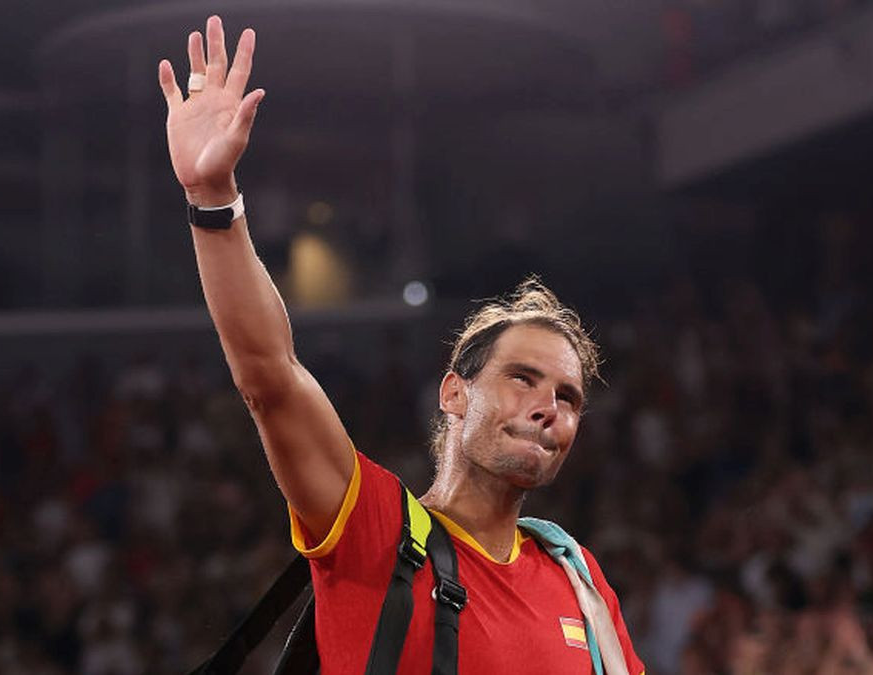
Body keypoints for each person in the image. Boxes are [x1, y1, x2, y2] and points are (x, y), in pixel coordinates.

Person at [157, 15, 646, 674]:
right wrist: (213, 200)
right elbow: (270, 378)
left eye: (568, 396)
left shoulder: (580, 579)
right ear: (454, 390)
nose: (548, 406)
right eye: (522, 377)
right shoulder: (378, 532)